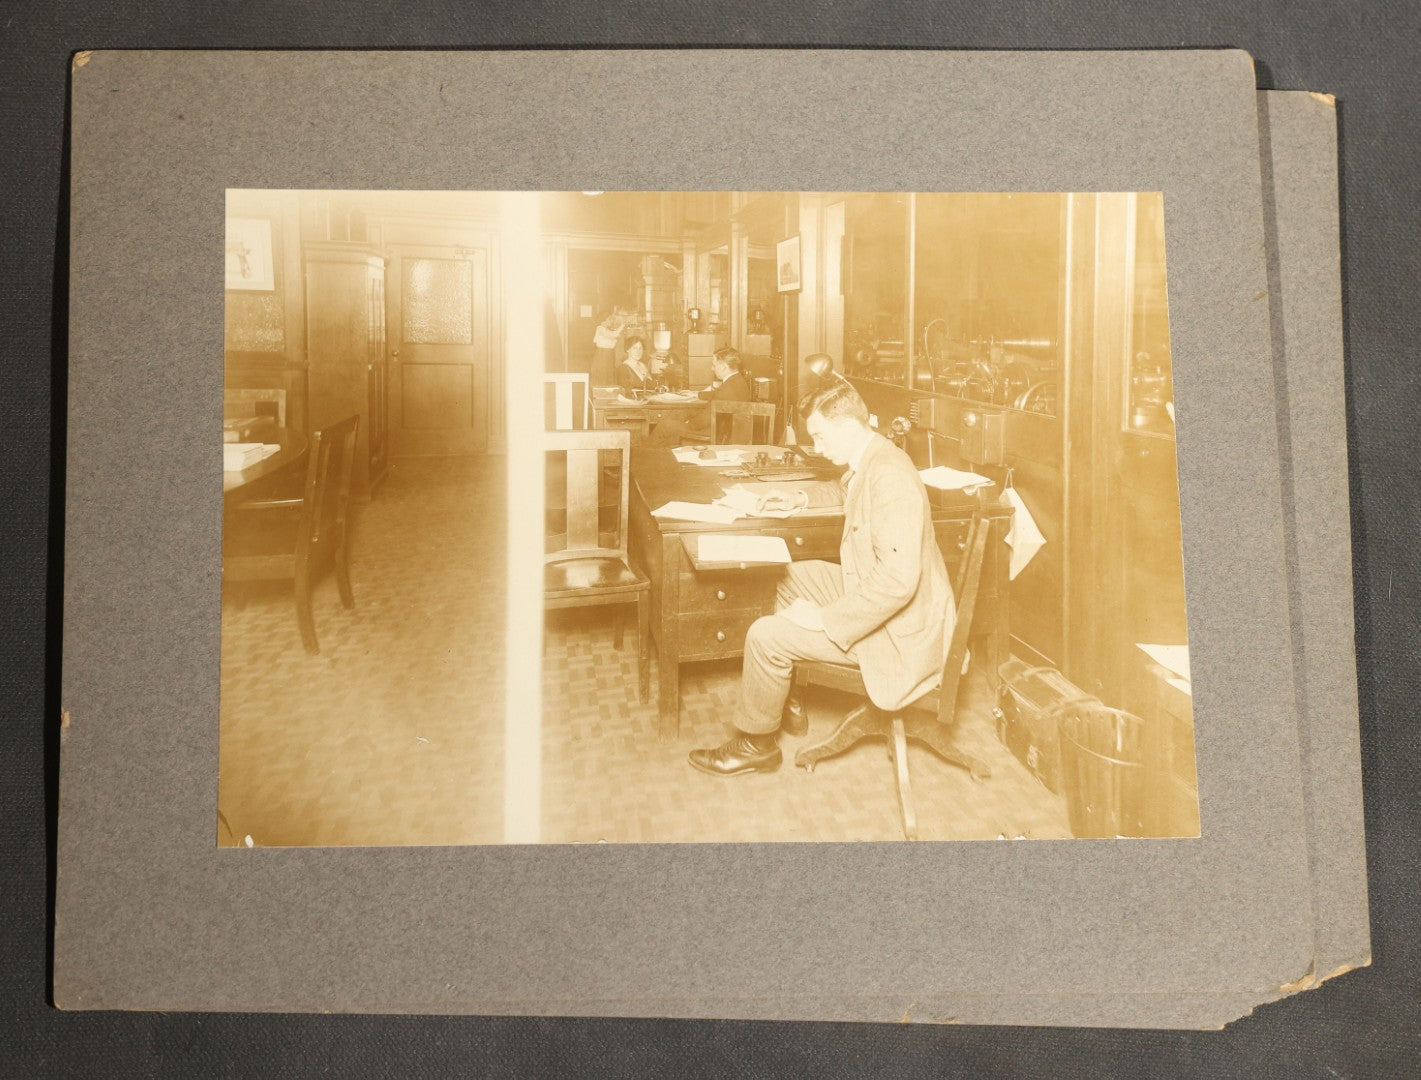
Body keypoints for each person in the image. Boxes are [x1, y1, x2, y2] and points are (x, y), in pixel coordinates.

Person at [688, 381, 954, 776]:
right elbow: (846, 489)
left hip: (901, 638)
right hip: (888, 601)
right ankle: (787, 690)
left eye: (820, 436)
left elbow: (898, 583)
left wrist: (826, 619)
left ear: (848, 428)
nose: (817, 446)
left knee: (766, 635)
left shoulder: (891, 478)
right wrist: (799, 498)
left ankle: (756, 743)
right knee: (787, 576)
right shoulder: (877, 456)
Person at [648, 346, 753, 446]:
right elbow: (718, 394)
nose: (712, 369)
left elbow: (702, 421)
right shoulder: (738, 381)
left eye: (714, 365)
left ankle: (646, 456)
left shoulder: (727, 390)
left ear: (723, 367)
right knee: (681, 418)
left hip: (714, 433)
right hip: (727, 430)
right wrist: (696, 394)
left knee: (665, 425)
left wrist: (688, 422)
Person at [590, 307, 629, 387]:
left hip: (609, 355)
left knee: (609, 376)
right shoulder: (600, 328)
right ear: (604, 319)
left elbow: (615, 336)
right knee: (602, 377)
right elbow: (613, 335)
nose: (611, 321)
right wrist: (623, 324)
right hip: (602, 355)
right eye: (609, 319)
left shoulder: (607, 329)